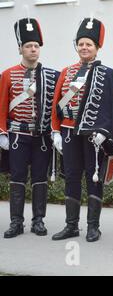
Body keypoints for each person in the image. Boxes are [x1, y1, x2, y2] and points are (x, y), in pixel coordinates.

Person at [51, 17, 113, 242]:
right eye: (81, 43)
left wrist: (105, 131)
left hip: (93, 135)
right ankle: (71, 225)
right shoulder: (66, 71)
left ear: (97, 47)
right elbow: (57, 104)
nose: (84, 47)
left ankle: (93, 226)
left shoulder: (107, 74)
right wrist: (56, 131)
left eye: (89, 44)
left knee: (94, 178)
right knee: (72, 177)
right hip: (69, 131)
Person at [0, 18, 59, 238]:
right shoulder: (8, 74)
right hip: (17, 135)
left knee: (39, 179)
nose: (33, 49)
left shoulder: (50, 75)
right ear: (20, 49)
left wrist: (54, 130)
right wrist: (2, 133)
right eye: (28, 46)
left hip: (41, 136)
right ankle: (16, 222)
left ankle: (38, 221)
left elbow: (54, 107)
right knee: (17, 178)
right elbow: (2, 106)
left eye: (36, 46)